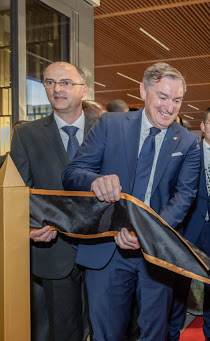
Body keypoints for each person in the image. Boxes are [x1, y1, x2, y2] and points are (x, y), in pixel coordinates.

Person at [62, 62, 201, 341]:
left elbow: (183, 197)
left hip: (156, 253)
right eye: (162, 97)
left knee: (154, 333)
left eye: (177, 100)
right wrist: (94, 181)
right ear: (143, 91)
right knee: (106, 333)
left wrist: (145, 233)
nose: (169, 107)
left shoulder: (187, 142)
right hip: (107, 250)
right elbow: (72, 173)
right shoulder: (110, 125)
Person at [10, 61, 96, 341]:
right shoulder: (26, 134)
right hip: (53, 250)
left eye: (66, 82)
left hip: (103, 249)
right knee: (64, 331)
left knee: (108, 327)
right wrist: (27, 230)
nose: (57, 88)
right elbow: (19, 192)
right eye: (49, 82)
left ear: (83, 89)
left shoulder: (105, 130)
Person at [173, 106, 210, 341]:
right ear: (203, 126)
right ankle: (172, 331)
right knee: (180, 283)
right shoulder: (189, 153)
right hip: (188, 230)